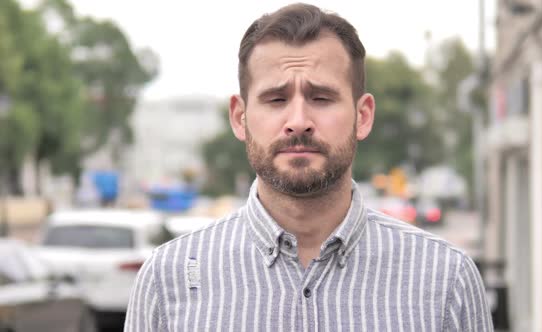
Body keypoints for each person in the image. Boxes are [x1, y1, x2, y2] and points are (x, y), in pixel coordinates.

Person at [124, 3, 493, 331]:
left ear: (363, 116)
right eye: (275, 98)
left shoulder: (445, 281)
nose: (298, 120)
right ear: (240, 118)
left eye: (321, 97)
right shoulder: (166, 279)